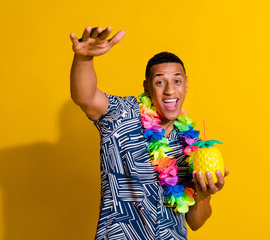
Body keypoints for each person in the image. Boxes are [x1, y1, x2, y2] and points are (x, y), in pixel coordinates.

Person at [69, 26, 229, 240]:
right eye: (160, 82)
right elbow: (86, 97)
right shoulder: (121, 116)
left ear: (186, 85)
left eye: (177, 81)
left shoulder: (193, 146)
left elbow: (195, 222)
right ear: (147, 87)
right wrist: (83, 59)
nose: (170, 90)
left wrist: (204, 195)